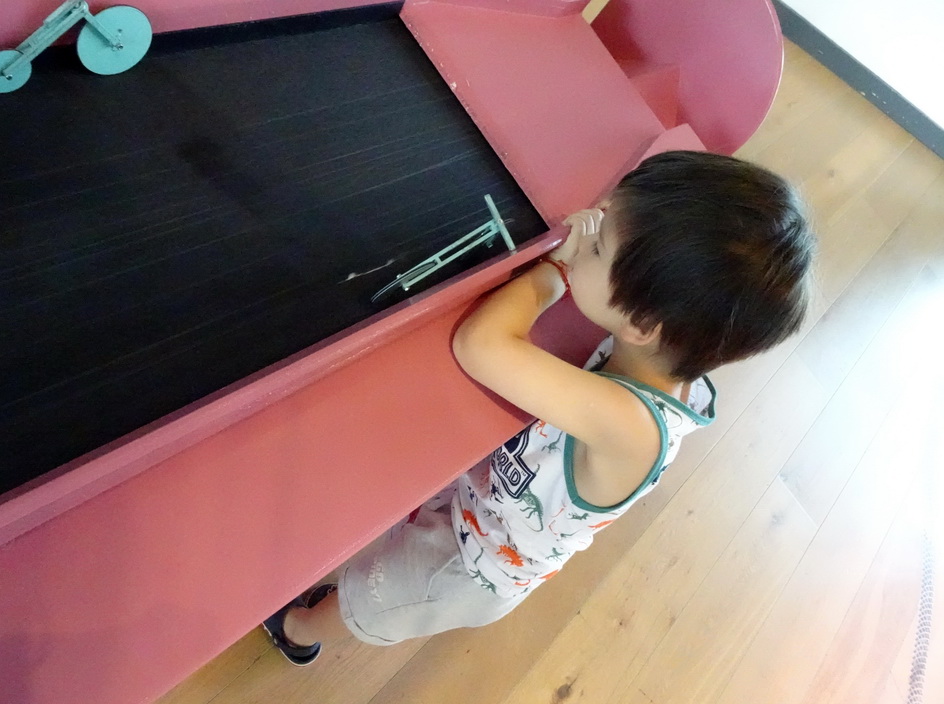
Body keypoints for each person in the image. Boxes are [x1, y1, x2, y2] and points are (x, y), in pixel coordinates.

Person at [262, 150, 816, 665]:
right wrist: (596, 259)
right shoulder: (660, 359)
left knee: (367, 601)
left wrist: (556, 272)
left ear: (643, 326)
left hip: (470, 563)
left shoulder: (632, 428)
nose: (585, 227)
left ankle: (300, 630)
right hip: (485, 495)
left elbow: (481, 346)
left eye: (599, 243)